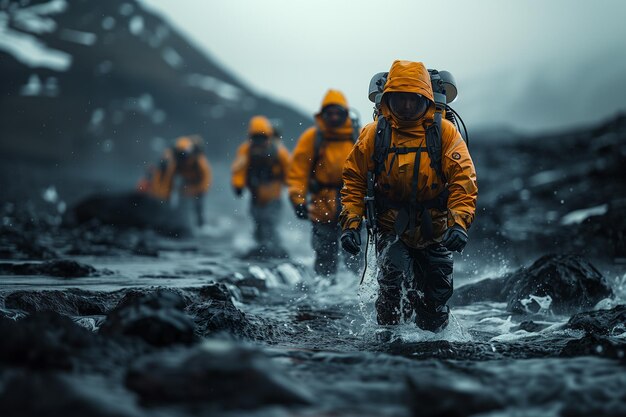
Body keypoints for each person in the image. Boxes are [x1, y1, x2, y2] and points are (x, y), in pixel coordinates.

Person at [339, 60, 478, 332]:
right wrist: (351, 225)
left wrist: (459, 224)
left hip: (435, 226)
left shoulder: (444, 132)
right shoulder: (374, 133)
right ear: (387, 99)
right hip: (391, 225)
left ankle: (433, 344)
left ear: (425, 99)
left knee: (436, 293)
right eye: (398, 100)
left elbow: (464, 179)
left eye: (411, 100)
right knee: (392, 287)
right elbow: (354, 179)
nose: (405, 107)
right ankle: (390, 341)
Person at [287, 89, 359, 277]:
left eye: (338, 112)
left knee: (356, 254)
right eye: (330, 113)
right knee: (324, 254)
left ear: (346, 113)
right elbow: (298, 172)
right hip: (322, 204)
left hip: (354, 204)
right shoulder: (313, 138)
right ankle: (325, 290)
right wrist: (298, 200)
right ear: (323, 115)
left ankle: (356, 291)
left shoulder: (358, 136)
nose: (334, 117)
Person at [232, 115, 290, 248]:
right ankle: (261, 246)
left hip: (273, 193)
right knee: (258, 220)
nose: (259, 142)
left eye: (262, 138)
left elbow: (290, 169)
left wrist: (294, 187)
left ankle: (273, 247)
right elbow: (239, 170)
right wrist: (238, 185)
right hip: (255, 194)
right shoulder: (245, 150)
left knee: (269, 221)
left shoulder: (279, 152)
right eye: (255, 138)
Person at [150, 136, 212, 227]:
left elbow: (206, 182)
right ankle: (171, 219)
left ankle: (201, 224)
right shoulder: (172, 161)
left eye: (185, 155)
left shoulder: (200, 161)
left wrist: (194, 190)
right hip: (181, 179)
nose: (183, 158)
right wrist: (161, 197)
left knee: (198, 203)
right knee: (171, 199)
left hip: (194, 181)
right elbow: (165, 182)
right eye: (180, 155)